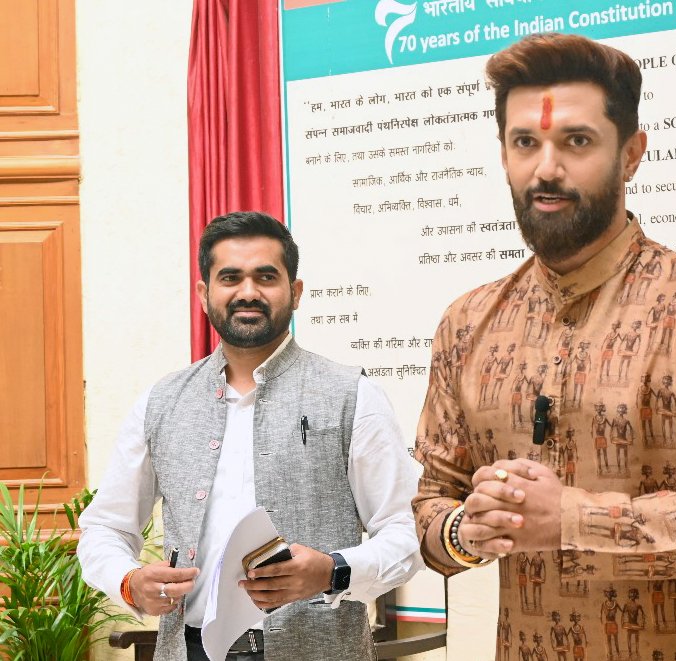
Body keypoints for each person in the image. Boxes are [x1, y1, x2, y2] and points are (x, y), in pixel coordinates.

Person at [410, 33, 676, 660]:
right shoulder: (469, 324)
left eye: (576, 141)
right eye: (525, 143)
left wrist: (572, 520)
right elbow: (432, 501)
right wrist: (468, 529)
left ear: (631, 154)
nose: (546, 168)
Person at [77, 211, 422, 661]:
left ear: (294, 293)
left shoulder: (352, 396)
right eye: (230, 277)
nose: (248, 292)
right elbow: (104, 528)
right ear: (204, 295)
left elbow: (407, 531)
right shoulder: (161, 402)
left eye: (266, 276)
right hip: (190, 649)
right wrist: (128, 582)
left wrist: (333, 572)